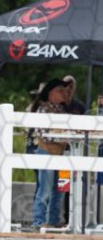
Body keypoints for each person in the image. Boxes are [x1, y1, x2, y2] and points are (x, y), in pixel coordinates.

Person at [32, 78, 70, 230]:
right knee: (46, 189)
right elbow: (42, 133)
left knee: (60, 190)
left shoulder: (61, 111)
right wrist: (61, 139)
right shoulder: (43, 110)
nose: (64, 94)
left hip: (61, 153)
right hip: (46, 151)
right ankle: (39, 220)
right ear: (50, 93)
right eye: (60, 91)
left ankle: (53, 220)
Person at [62, 75, 86, 225]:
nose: (69, 89)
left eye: (71, 86)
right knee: (64, 186)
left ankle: (76, 219)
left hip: (77, 151)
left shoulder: (80, 106)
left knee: (78, 185)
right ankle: (66, 219)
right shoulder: (58, 106)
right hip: (62, 152)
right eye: (66, 86)